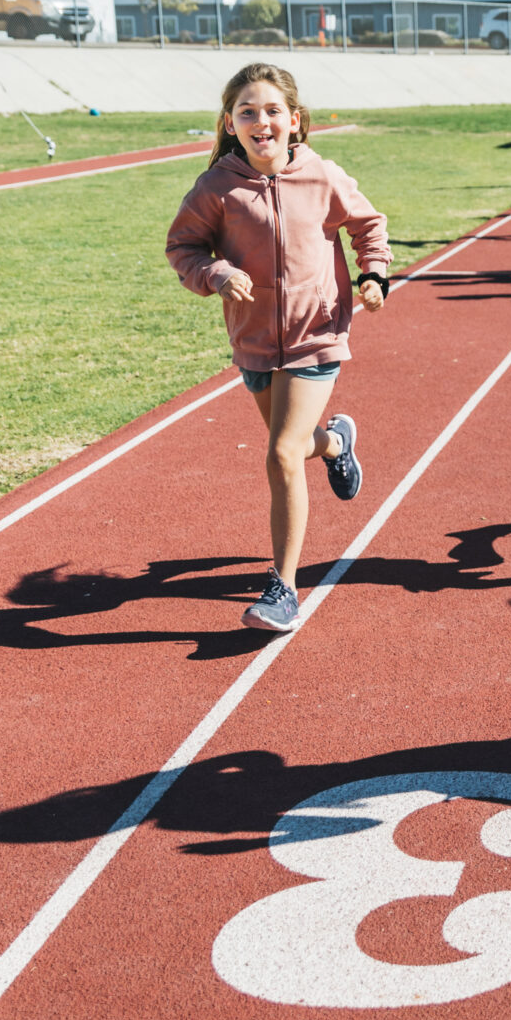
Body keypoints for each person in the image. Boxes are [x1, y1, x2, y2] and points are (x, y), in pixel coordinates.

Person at [166, 62, 392, 633]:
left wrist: (375, 274)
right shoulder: (217, 186)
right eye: (247, 112)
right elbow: (183, 247)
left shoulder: (323, 176)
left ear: (295, 120)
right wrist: (215, 272)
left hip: (318, 331)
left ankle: (283, 588)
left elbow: (368, 225)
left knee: (282, 456)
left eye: (271, 111)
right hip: (255, 341)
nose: (260, 121)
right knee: (292, 444)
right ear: (229, 123)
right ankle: (336, 442)